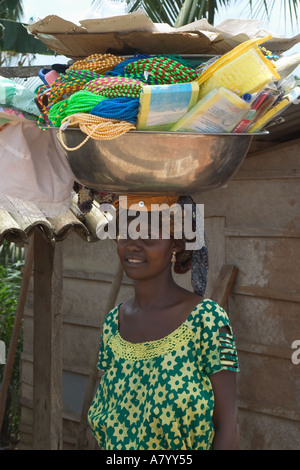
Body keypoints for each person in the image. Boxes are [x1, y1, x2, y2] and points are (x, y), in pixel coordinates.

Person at [88, 195, 239, 450]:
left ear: (175, 245)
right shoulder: (114, 324)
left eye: (148, 234)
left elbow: (228, 428)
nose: (133, 245)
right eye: (125, 233)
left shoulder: (207, 321)